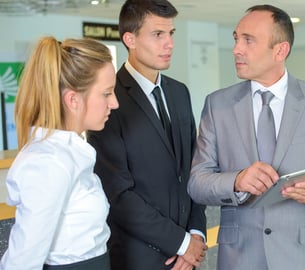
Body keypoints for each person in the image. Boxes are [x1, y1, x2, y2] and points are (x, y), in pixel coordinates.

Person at [188, 4, 305, 270]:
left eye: (248, 40)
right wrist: (237, 181)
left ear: (281, 50)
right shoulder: (216, 105)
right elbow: (197, 183)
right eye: (236, 39)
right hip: (239, 256)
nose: (236, 49)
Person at [86, 0, 207, 269]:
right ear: (130, 39)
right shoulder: (108, 102)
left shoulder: (179, 93)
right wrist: (181, 243)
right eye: (157, 34)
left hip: (188, 256)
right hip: (137, 259)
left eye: (171, 33)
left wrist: (195, 235)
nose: (170, 43)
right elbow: (118, 195)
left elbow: (193, 171)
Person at [0, 36, 118, 269]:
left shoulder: (68, 152)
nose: (114, 103)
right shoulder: (48, 162)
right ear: (73, 99)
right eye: (106, 93)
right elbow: (23, 261)